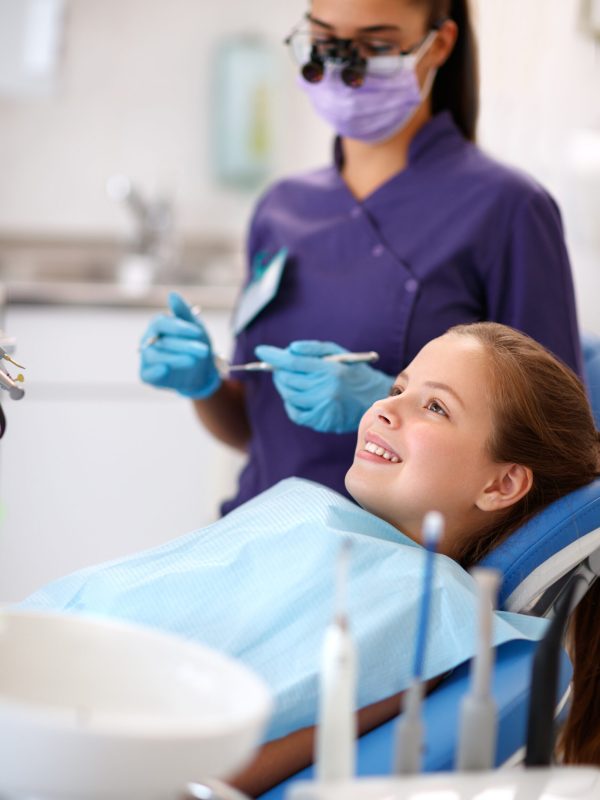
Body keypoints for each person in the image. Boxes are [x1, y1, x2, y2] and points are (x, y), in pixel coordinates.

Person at [25, 323, 600, 795]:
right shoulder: (321, 520)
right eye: (398, 387)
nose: (384, 408)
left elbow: (218, 770)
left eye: (435, 407)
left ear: (502, 484)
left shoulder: (421, 606)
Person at [140, 0, 583, 516]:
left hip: (390, 560)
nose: (341, 69)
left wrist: (391, 406)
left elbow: (558, 459)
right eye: (325, 42)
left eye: (375, 46)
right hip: (253, 530)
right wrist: (205, 386)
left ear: (438, 44)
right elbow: (257, 433)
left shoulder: (507, 208)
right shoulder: (281, 208)